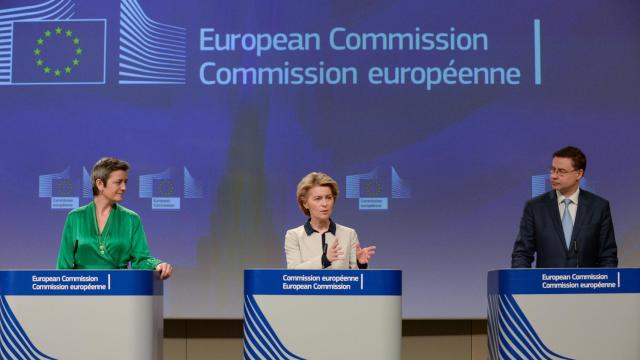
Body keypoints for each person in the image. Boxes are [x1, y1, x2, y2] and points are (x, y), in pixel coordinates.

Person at [57, 157, 173, 279]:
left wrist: (157, 264)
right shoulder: (75, 218)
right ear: (100, 184)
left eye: (125, 182)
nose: (124, 187)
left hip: (118, 290)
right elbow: (63, 267)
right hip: (83, 290)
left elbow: (140, 260)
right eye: (118, 182)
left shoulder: (131, 219)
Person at [511, 146, 618, 268]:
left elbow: (608, 256)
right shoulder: (535, 207)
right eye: (553, 170)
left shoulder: (599, 207)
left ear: (579, 174)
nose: (554, 176)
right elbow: (522, 254)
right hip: (547, 284)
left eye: (561, 171)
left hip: (587, 285)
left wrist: (604, 285)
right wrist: (523, 283)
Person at [285, 172, 376, 269]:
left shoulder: (349, 234)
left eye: (328, 198)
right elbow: (293, 273)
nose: (324, 204)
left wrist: (360, 264)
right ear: (305, 203)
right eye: (318, 198)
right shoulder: (294, 236)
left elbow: (357, 280)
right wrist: (324, 260)